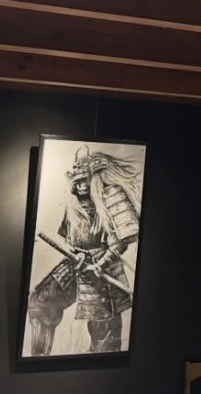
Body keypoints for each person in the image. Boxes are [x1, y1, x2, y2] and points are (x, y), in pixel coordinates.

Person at [27, 145, 141, 354]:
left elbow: (122, 239)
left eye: (84, 180)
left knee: (103, 329)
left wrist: (101, 263)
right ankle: (38, 357)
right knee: (40, 301)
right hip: (76, 261)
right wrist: (74, 253)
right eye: (77, 181)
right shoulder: (74, 204)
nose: (80, 186)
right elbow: (67, 237)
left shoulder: (111, 195)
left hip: (103, 265)